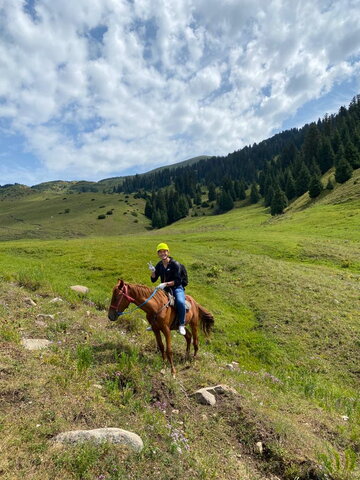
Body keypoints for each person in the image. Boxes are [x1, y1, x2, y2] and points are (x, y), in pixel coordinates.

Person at [147, 242, 186, 335]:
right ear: (158, 254)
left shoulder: (175, 264)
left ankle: (181, 324)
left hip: (177, 288)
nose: (162, 254)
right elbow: (153, 279)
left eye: (164, 251)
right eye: (160, 252)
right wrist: (153, 272)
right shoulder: (159, 265)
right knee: (153, 302)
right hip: (165, 289)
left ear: (168, 252)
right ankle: (154, 324)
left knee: (180, 302)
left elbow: (178, 281)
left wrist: (165, 284)